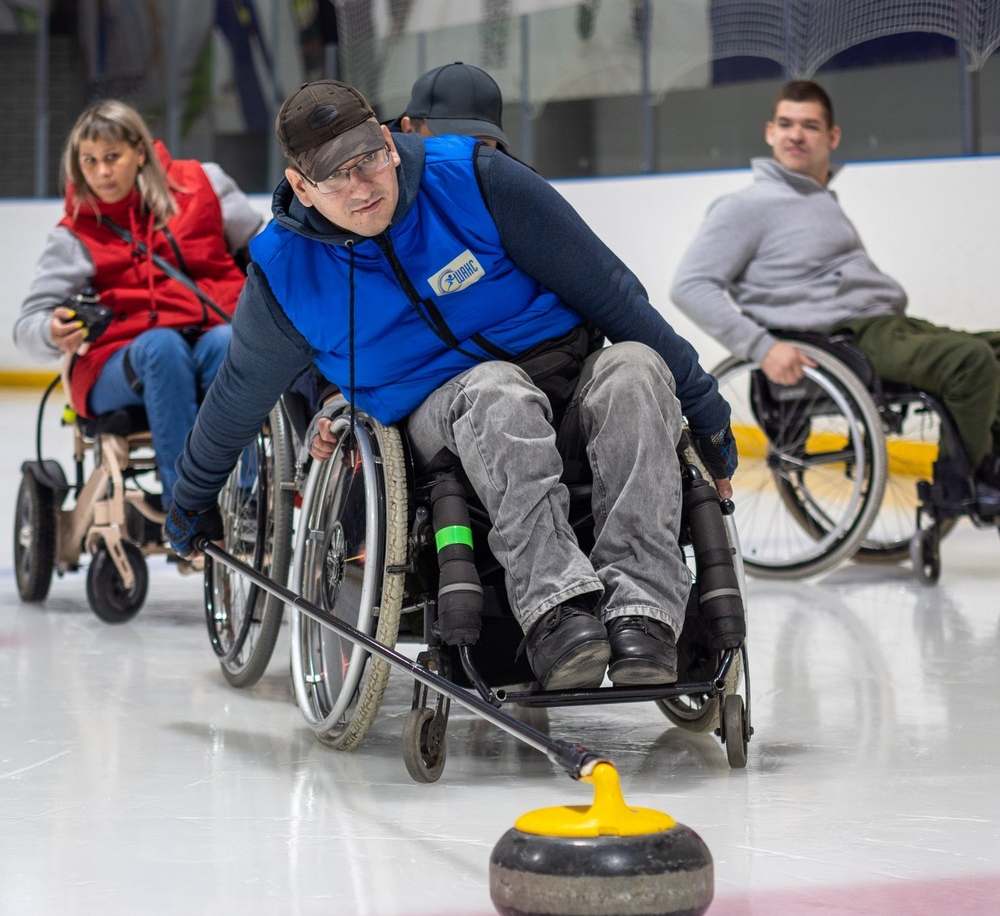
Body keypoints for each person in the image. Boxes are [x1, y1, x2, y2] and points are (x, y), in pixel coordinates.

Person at [164, 79, 737, 692]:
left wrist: (710, 423)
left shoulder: (475, 180)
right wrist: (190, 502)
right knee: (495, 390)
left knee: (635, 368)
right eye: (335, 177)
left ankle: (643, 614)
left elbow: (617, 297)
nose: (362, 187)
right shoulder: (284, 272)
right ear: (301, 187)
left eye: (369, 160)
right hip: (442, 420)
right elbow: (237, 399)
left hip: (565, 378)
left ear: (390, 143)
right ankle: (558, 610)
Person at [671, 78, 1000, 509]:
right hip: (844, 339)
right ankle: (964, 487)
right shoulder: (747, 206)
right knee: (970, 361)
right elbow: (690, 285)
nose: (795, 135)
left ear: (832, 137)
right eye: (786, 124)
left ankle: (989, 464)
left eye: (809, 125)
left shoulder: (817, 200)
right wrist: (762, 347)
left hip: (887, 325)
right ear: (770, 132)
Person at [14, 100, 262, 533]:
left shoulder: (203, 184)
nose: (101, 173)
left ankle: (246, 500)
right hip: (118, 360)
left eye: (112, 157)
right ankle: (187, 509)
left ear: (140, 152)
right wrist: (52, 331)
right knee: (162, 349)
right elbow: (27, 325)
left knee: (230, 343)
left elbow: (262, 249)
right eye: (89, 161)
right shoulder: (76, 233)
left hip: (207, 336)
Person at [390, 61, 510, 153]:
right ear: (409, 130)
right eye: (450, 143)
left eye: (481, 147)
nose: (468, 158)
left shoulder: (513, 176)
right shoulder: (383, 175)